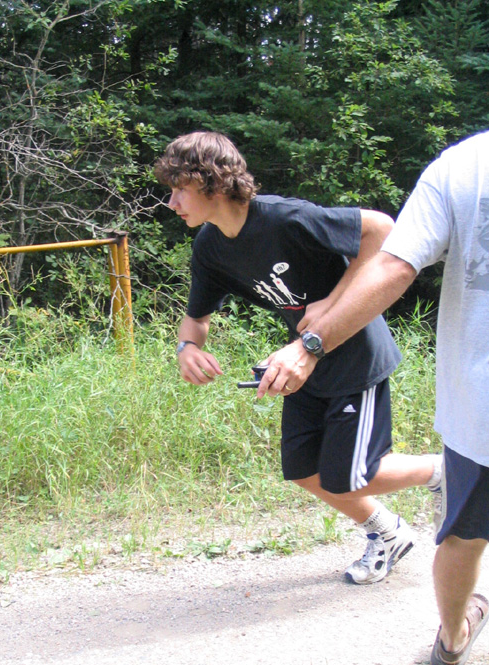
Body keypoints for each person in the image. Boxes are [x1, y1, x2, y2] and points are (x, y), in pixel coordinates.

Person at [154, 131, 441, 585]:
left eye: (179, 189)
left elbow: (382, 229)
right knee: (305, 470)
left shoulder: (284, 218)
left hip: (355, 356)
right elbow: (196, 319)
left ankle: (448, 471)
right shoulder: (210, 246)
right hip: (300, 363)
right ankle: (388, 534)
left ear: (211, 183)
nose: (171, 202)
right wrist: (187, 349)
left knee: (351, 476)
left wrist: (333, 301)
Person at [289, 130, 489, 665]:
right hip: (474, 413)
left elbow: (395, 261)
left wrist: (312, 342)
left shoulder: (465, 165)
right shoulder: (463, 165)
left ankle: (453, 637)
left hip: (475, 409)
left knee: (461, 536)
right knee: (454, 535)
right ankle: (452, 628)